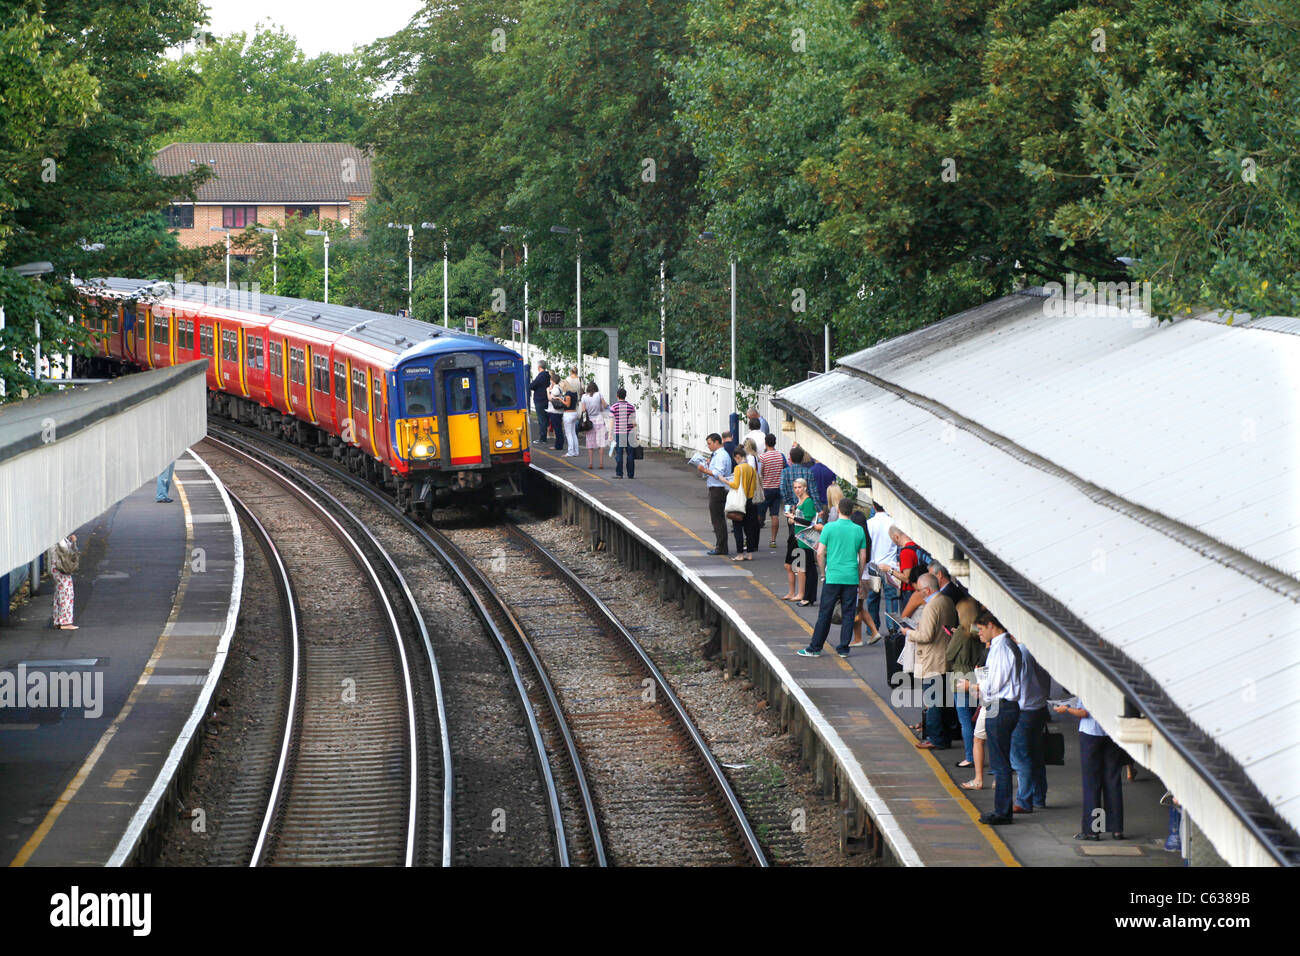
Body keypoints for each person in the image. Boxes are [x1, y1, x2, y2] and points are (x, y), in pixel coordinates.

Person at [798, 497, 867, 658]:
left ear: (839, 510)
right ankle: (843, 648)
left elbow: (820, 553)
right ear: (851, 511)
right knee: (849, 613)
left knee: (825, 613)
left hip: (833, 575)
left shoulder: (829, 527)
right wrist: (858, 576)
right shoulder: (859, 530)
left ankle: (815, 647)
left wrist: (823, 574)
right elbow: (862, 557)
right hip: (850, 576)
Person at [1055, 697, 1125, 840]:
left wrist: (1066, 709)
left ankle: (1093, 830)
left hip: (1091, 735)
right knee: (1113, 782)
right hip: (1112, 734)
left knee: (1092, 784)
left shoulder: (1088, 684)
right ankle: (1117, 829)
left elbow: (1084, 713)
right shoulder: (1115, 686)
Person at [976, 610, 1022, 825]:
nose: (979, 633)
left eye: (981, 629)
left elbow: (995, 684)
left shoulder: (1002, 648)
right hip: (1002, 706)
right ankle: (1001, 808)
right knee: (1000, 760)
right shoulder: (1000, 646)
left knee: (1000, 763)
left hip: (1001, 707)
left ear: (992, 625)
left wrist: (978, 682)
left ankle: (1002, 812)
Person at [904, 573, 957, 749]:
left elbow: (926, 636)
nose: (918, 593)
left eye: (919, 591)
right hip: (944, 656)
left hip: (932, 659)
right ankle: (944, 737)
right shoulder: (946, 600)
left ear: (927, 590)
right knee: (943, 701)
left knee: (932, 701)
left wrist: (909, 633)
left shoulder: (931, 606)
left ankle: (935, 738)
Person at [1010, 638, 1051, 813]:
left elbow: (1016, 684)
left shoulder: (1021, 653)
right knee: (1036, 756)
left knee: (1020, 758)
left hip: (1023, 709)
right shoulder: (1039, 648)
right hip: (1039, 708)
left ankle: (1023, 801)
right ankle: (1038, 797)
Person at [947, 597, 982, 769]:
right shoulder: (978, 631)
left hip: (960, 678)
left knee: (965, 721)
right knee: (978, 721)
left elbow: (949, 654)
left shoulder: (961, 631)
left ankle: (970, 757)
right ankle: (978, 753)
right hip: (976, 677)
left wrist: (953, 637)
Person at [696, 433, 733, 555]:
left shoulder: (721, 455)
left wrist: (704, 470)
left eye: (710, 443)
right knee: (718, 518)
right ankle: (721, 546)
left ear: (717, 442)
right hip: (716, 488)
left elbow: (718, 473)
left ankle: (721, 547)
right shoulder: (717, 455)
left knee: (717, 519)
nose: (708, 446)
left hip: (718, 489)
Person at [783, 477, 819, 606]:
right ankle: (807, 596)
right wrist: (793, 517)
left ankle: (808, 597)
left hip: (806, 539)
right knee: (804, 568)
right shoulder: (799, 502)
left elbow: (808, 521)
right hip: (800, 538)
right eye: (795, 487)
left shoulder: (808, 502)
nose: (797, 490)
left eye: (799, 487)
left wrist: (793, 517)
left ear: (805, 487)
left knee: (809, 569)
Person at [849, 510, 881, 647]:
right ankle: (859, 638)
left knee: (857, 609)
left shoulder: (857, 538)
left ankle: (872, 632)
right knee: (859, 608)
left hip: (859, 577)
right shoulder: (867, 538)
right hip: (867, 576)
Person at [864, 505, 898, 634]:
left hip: (873, 566)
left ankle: (873, 628)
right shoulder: (893, 522)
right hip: (890, 566)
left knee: (873, 598)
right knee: (891, 598)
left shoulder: (869, 523)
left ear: (873, 506)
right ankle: (892, 627)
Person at [722, 446, 759, 560]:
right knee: (749, 528)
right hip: (750, 500)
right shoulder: (751, 468)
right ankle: (750, 553)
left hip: (740, 502)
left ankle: (740, 554)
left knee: (738, 528)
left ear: (738, 457)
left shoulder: (739, 468)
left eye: (735, 459)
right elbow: (753, 486)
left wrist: (724, 480)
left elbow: (735, 485)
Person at [758, 434, 787, 549]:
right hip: (777, 488)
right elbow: (784, 468)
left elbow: (761, 473)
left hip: (766, 488)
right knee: (775, 515)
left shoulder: (762, 457)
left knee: (760, 514)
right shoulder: (781, 456)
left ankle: (753, 538)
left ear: (766, 443)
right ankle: (773, 540)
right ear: (775, 442)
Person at [48, 534, 80, 630]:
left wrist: (71, 542)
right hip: (61, 567)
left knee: (59, 593)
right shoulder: (56, 535)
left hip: (56, 566)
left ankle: (58, 620)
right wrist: (72, 542)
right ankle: (65, 622)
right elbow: (64, 548)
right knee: (67, 593)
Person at [608, 387, 637, 479]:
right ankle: (631, 474)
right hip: (630, 434)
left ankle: (619, 473)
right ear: (625, 396)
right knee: (630, 454)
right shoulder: (631, 407)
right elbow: (634, 422)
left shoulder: (614, 407)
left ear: (617, 396)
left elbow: (612, 422)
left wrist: (610, 434)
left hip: (618, 433)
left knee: (619, 454)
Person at [581, 381, 608, 469]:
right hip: (599, 420)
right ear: (596, 388)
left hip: (590, 422)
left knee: (590, 443)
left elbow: (583, 410)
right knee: (601, 443)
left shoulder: (584, 397)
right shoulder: (599, 395)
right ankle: (601, 463)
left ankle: (591, 463)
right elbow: (604, 405)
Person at [560, 372, 581, 457]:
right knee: (573, 433)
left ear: (564, 386)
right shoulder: (574, 393)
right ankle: (576, 451)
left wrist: (560, 399)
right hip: (574, 413)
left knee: (569, 434)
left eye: (562, 387)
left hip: (568, 414)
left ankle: (570, 452)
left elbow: (567, 404)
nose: (562, 389)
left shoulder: (568, 394)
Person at [530, 361, 552, 441]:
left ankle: (543, 438)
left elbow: (532, 385)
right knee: (545, 419)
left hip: (539, 399)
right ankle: (545, 435)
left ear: (539, 367)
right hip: (545, 398)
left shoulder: (541, 376)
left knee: (541, 419)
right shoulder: (547, 376)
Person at [548, 373, 567, 451]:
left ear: (553, 381)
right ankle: (559, 444)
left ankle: (558, 446)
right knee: (558, 428)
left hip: (555, 412)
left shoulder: (555, 389)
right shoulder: (558, 388)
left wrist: (547, 391)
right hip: (558, 411)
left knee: (557, 429)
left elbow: (550, 398)